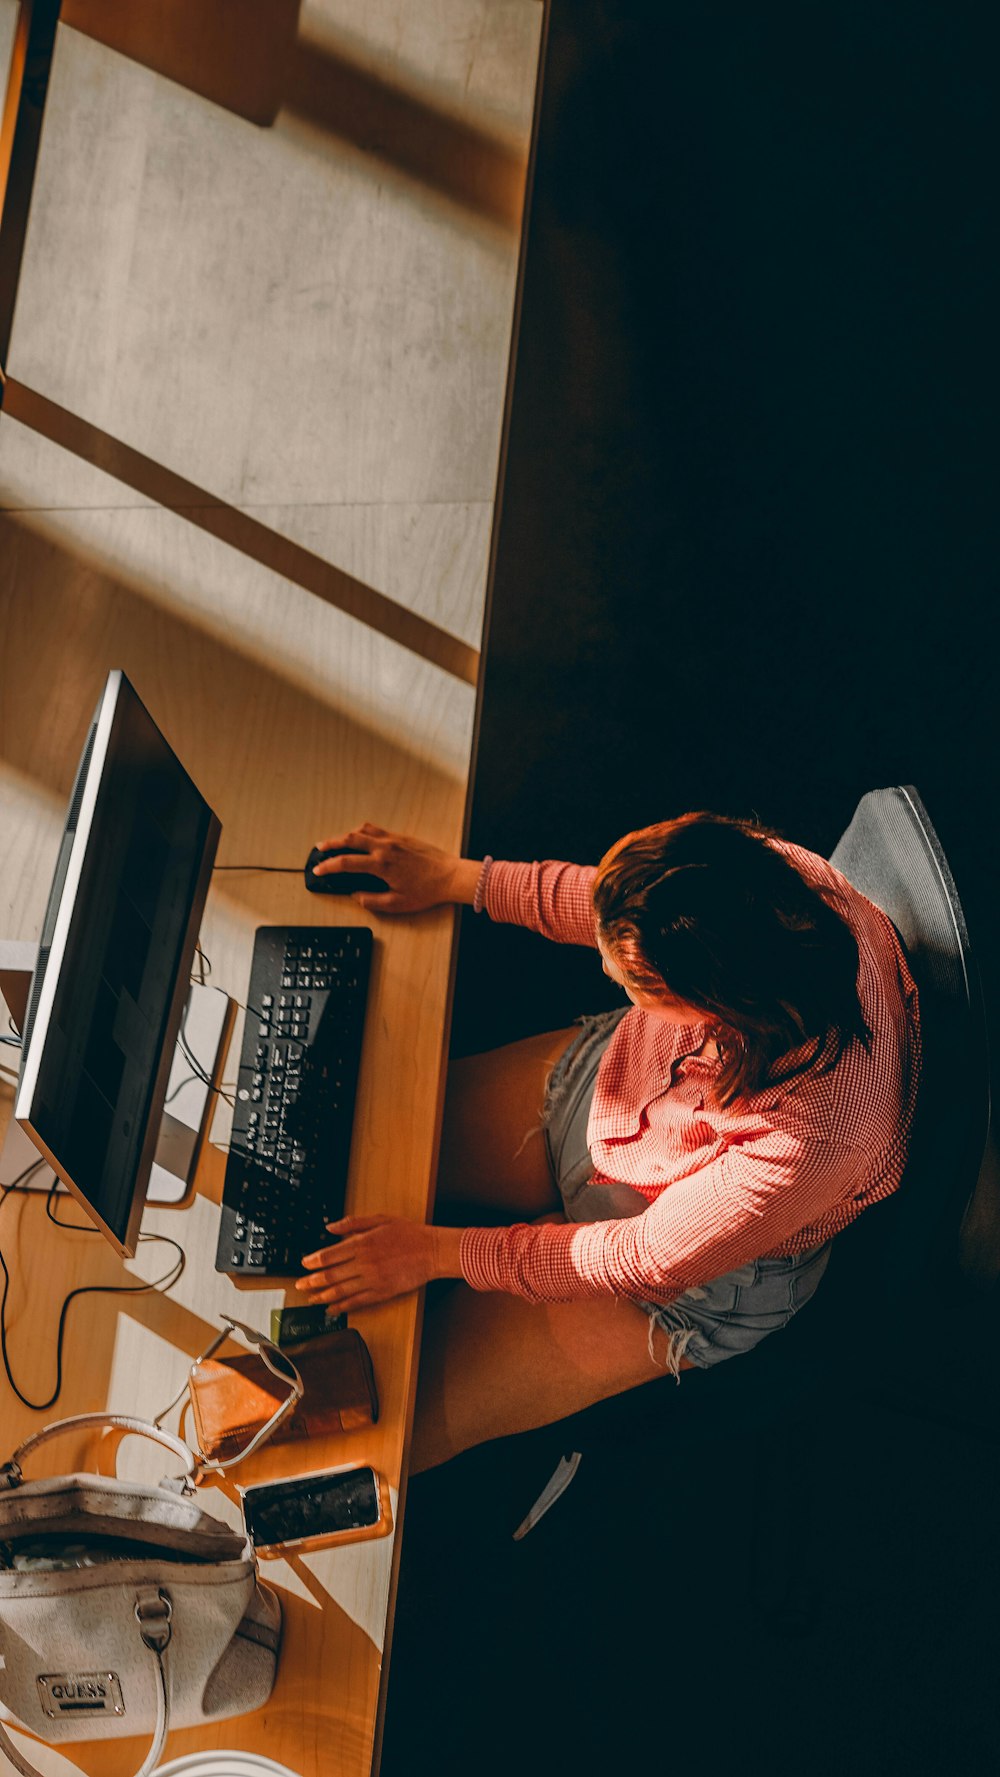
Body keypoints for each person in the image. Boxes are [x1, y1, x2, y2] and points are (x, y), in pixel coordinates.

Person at [296, 813, 921, 1474]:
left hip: (693, 1273)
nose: (599, 965)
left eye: (627, 981)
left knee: (372, 1427)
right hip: (635, 1089)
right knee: (342, 1137)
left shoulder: (816, 1135)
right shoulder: (759, 875)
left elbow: (637, 1255)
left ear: (710, 1005)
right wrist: (458, 878)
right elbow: (614, 908)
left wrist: (434, 1251)